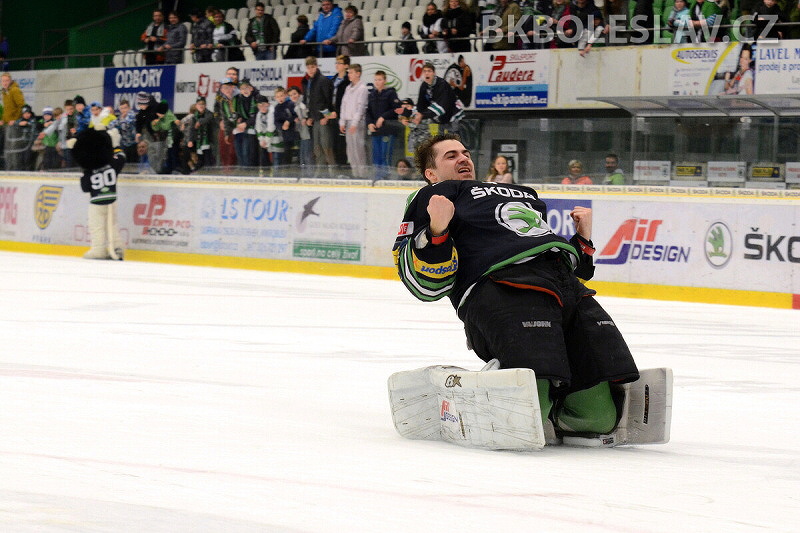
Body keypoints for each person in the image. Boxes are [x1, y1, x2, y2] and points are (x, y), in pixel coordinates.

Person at [392, 133, 640, 443]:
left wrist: (583, 240)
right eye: (450, 155)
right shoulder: (432, 197)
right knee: (530, 406)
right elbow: (425, 286)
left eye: (465, 153)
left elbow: (571, 265)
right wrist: (438, 230)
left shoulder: (523, 194)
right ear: (431, 174)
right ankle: (472, 395)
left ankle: (546, 405)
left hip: (565, 286)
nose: (463, 158)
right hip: (504, 288)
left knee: (598, 419)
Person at [72, 128, 126, 260]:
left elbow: (85, 188)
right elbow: (122, 158)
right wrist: (116, 145)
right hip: (112, 199)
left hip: (96, 201)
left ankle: (99, 249)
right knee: (112, 224)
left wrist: (85, 171)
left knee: (96, 226)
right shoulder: (112, 164)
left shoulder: (90, 170)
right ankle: (117, 248)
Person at [303, 56, 335, 173]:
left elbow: (329, 101)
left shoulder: (323, 80)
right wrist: (309, 117)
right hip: (315, 119)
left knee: (327, 147)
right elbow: (310, 102)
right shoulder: (309, 82)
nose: (310, 70)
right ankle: (320, 172)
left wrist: (326, 116)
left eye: (312, 67)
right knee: (317, 148)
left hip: (323, 119)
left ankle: (333, 172)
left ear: (316, 66)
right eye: (308, 68)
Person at [367, 70, 401, 180]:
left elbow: (396, 109)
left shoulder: (391, 93)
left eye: (380, 79)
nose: (377, 82)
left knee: (385, 154)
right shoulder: (372, 95)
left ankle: (386, 176)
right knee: (376, 154)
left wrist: (383, 117)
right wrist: (369, 123)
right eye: (376, 80)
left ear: (385, 81)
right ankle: (377, 176)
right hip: (376, 131)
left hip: (388, 130)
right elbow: (368, 111)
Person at [414, 62, 463, 135]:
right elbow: (421, 104)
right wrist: (418, 114)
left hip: (452, 113)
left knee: (453, 138)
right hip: (441, 116)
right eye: (424, 71)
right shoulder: (424, 86)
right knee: (440, 138)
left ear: (434, 73)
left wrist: (423, 115)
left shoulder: (442, 84)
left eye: (429, 71)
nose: (427, 73)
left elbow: (442, 106)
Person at [339, 63, 369, 178]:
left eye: (351, 72)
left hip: (357, 123)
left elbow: (361, 108)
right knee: (350, 150)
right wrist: (342, 122)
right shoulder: (348, 88)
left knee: (358, 149)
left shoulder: (362, 89)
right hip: (348, 121)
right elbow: (344, 105)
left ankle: (362, 174)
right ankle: (355, 173)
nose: (349, 75)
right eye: (348, 73)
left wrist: (354, 123)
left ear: (358, 74)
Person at [330, 55, 351, 167]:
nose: (337, 65)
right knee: (333, 142)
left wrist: (338, 112)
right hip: (332, 115)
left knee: (342, 143)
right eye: (336, 63)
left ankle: (342, 165)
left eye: (340, 63)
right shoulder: (332, 80)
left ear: (346, 66)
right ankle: (335, 166)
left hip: (343, 115)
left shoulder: (348, 81)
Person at [288, 86, 312, 175]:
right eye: (291, 95)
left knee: (307, 155)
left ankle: (310, 174)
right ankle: (304, 174)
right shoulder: (295, 106)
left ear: (299, 93)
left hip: (308, 133)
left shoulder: (304, 103)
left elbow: (310, 114)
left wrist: (306, 118)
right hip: (302, 134)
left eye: (294, 94)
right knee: (302, 156)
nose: (293, 96)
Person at [234, 79, 258, 167]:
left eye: (246, 88)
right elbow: (238, 113)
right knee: (239, 149)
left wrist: (246, 124)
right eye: (242, 88)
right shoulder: (239, 100)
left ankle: (249, 169)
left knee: (247, 152)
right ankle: (242, 167)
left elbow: (257, 116)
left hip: (254, 129)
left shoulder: (257, 98)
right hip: (243, 128)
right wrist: (238, 119)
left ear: (251, 88)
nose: (245, 90)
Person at [186, 96, 216, 169]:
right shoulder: (194, 117)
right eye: (199, 104)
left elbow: (208, 119)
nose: (201, 106)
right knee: (200, 160)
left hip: (209, 142)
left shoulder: (209, 114)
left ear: (205, 105)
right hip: (199, 142)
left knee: (208, 160)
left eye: (203, 104)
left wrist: (200, 121)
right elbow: (192, 129)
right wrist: (190, 140)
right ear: (196, 106)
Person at [215, 77, 239, 168]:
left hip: (238, 126)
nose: (227, 90)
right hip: (228, 125)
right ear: (221, 89)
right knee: (224, 149)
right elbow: (217, 111)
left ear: (233, 87)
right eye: (225, 88)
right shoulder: (220, 98)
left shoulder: (239, 96)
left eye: (229, 87)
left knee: (235, 151)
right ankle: (226, 169)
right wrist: (219, 121)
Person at [273, 87, 299, 166]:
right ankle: (286, 168)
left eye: (281, 96)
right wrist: (282, 126)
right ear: (275, 98)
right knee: (287, 152)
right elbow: (276, 121)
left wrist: (288, 121)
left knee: (296, 151)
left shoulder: (290, 104)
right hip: (285, 134)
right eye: (278, 97)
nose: (280, 98)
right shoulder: (277, 108)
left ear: (285, 95)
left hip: (295, 132)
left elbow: (295, 115)